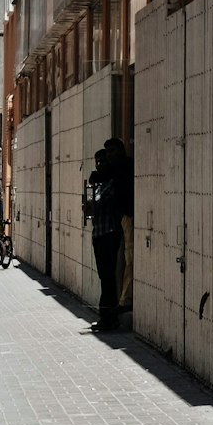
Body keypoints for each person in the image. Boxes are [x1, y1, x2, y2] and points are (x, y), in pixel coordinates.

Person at [85, 147, 122, 334]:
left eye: (102, 162)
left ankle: (108, 316)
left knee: (107, 277)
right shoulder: (98, 182)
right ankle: (108, 316)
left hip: (109, 233)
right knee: (104, 277)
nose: (99, 166)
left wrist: (94, 181)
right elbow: (90, 205)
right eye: (97, 162)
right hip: (99, 234)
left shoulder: (110, 181)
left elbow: (97, 200)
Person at [104, 137, 134, 311]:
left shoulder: (120, 167)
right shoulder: (119, 167)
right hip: (122, 218)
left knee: (130, 257)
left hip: (128, 216)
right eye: (108, 152)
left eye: (112, 151)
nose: (110, 156)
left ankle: (125, 299)